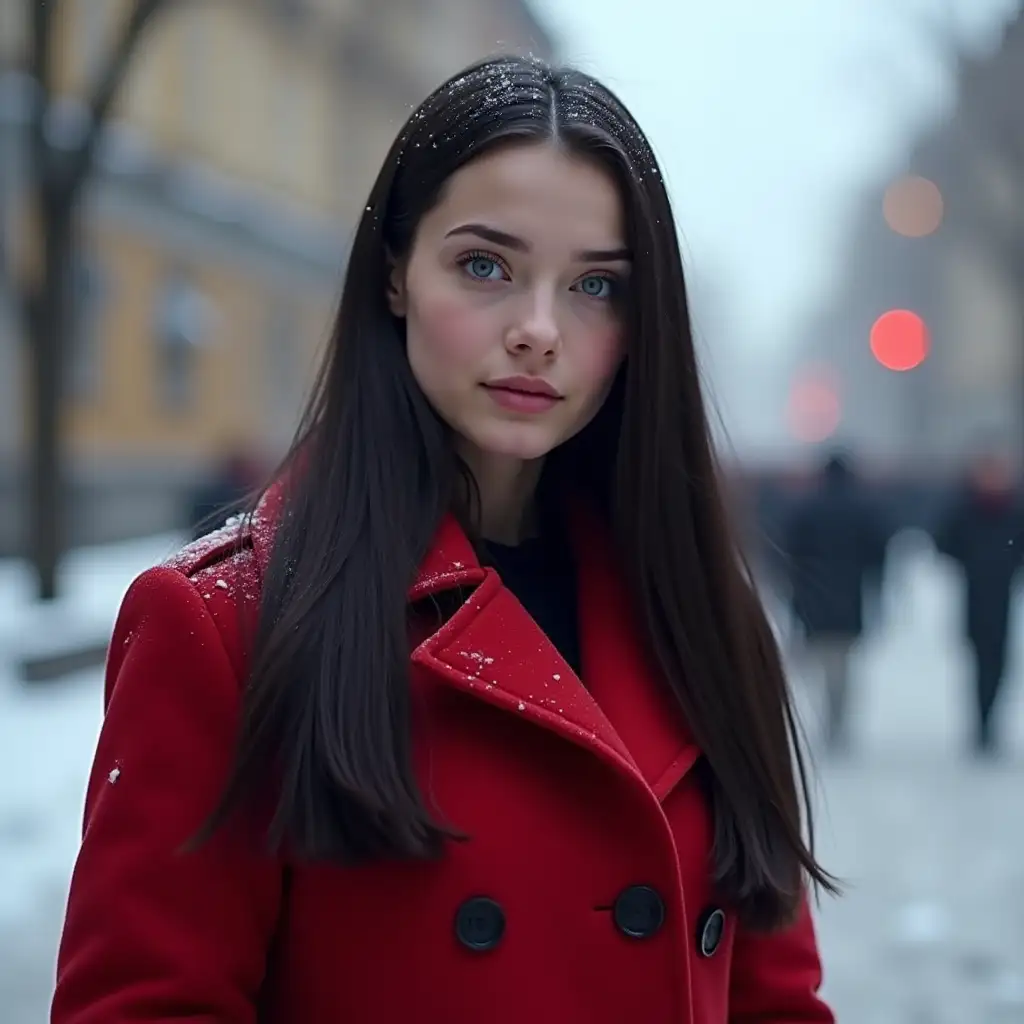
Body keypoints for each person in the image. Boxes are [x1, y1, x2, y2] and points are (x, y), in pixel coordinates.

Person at [52, 56, 836, 1023]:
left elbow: (778, 999)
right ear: (394, 274)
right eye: (485, 266)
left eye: (597, 285)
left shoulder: (699, 614)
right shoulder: (224, 624)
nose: (539, 330)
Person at [783, 451, 888, 753]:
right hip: (849, 595)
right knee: (842, 662)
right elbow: (877, 553)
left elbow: (791, 552)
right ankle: (837, 720)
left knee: (821, 657)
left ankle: (827, 719)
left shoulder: (808, 508)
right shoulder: (862, 509)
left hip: (813, 594)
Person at [934, 447, 1023, 756]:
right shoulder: (965, 510)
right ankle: (980, 722)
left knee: (998, 663)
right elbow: (945, 543)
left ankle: (990, 721)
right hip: (974, 594)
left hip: (1001, 596)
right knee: (977, 660)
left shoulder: (1012, 510)